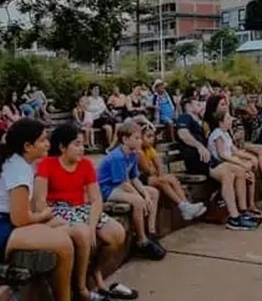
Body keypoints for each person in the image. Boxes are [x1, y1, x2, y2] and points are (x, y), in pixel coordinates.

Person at [0, 119, 74, 301]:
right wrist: (43, 216)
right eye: (43, 140)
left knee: (63, 226)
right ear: (28, 146)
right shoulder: (18, 167)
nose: (48, 144)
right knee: (63, 244)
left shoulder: (16, 161)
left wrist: (44, 219)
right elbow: (20, 219)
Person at [34, 124, 138, 301]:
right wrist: (52, 218)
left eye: (82, 144)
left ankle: (95, 270)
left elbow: (96, 199)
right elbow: (40, 200)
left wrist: (92, 225)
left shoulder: (86, 165)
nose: (82, 148)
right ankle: (81, 288)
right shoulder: (47, 165)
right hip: (57, 209)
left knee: (117, 233)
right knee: (82, 235)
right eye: (76, 144)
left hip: (81, 209)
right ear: (62, 147)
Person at [176, 95, 260, 231]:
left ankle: (243, 211)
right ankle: (233, 218)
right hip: (197, 160)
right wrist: (199, 146)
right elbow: (182, 134)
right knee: (227, 174)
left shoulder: (201, 122)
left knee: (239, 171)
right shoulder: (185, 117)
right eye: (197, 103)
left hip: (208, 159)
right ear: (189, 106)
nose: (201, 105)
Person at [96, 120, 166, 259]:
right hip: (107, 189)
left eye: (140, 138)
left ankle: (151, 232)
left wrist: (146, 194)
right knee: (138, 202)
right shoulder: (117, 156)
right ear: (125, 139)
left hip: (120, 186)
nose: (140, 141)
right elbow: (123, 183)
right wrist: (140, 197)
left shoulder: (133, 154)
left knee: (154, 193)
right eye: (137, 138)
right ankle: (142, 240)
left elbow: (134, 178)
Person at [135, 117, 206, 221]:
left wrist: (160, 174)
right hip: (140, 179)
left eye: (153, 136)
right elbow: (148, 171)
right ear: (140, 137)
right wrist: (157, 173)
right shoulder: (139, 152)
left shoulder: (150, 149)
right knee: (163, 181)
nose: (152, 140)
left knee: (170, 178)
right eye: (148, 137)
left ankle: (186, 206)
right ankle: (184, 207)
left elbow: (159, 165)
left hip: (151, 177)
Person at [208, 109, 262, 222]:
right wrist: (240, 163)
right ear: (221, 122)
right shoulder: (217, 134)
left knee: (249, 173)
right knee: (243, 171)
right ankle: (243, 209)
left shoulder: (226, 134)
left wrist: (251, 157)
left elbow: (235, 151)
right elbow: (222, 155)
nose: (231, 120)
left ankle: (249, 206)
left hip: (228, 162)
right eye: (228, 118)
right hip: (219, 164)